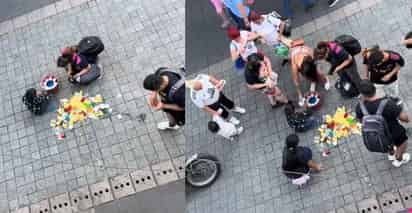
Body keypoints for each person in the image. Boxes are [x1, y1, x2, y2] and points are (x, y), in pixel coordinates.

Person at [355, 80, 410, 167]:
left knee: (386, 142)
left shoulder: (360, 107)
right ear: (374, 89)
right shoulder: (388, 104)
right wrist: (400, 108)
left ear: (362, 94)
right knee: (402, 144)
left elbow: (360, 120)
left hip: (378, 135)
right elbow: (405, 119)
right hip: (394, 132)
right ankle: (399, 160)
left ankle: (391, 154)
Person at [286, 41, 330, 106]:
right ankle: (313, 80)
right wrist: (300, 96)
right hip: (296, 53)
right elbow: (296, 82)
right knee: (312, 74)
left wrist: (323, 77)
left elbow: (317, 66)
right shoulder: (294, 66)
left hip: (304, 52)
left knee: (318, 71)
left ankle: (325, 80)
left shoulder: (310, 54)